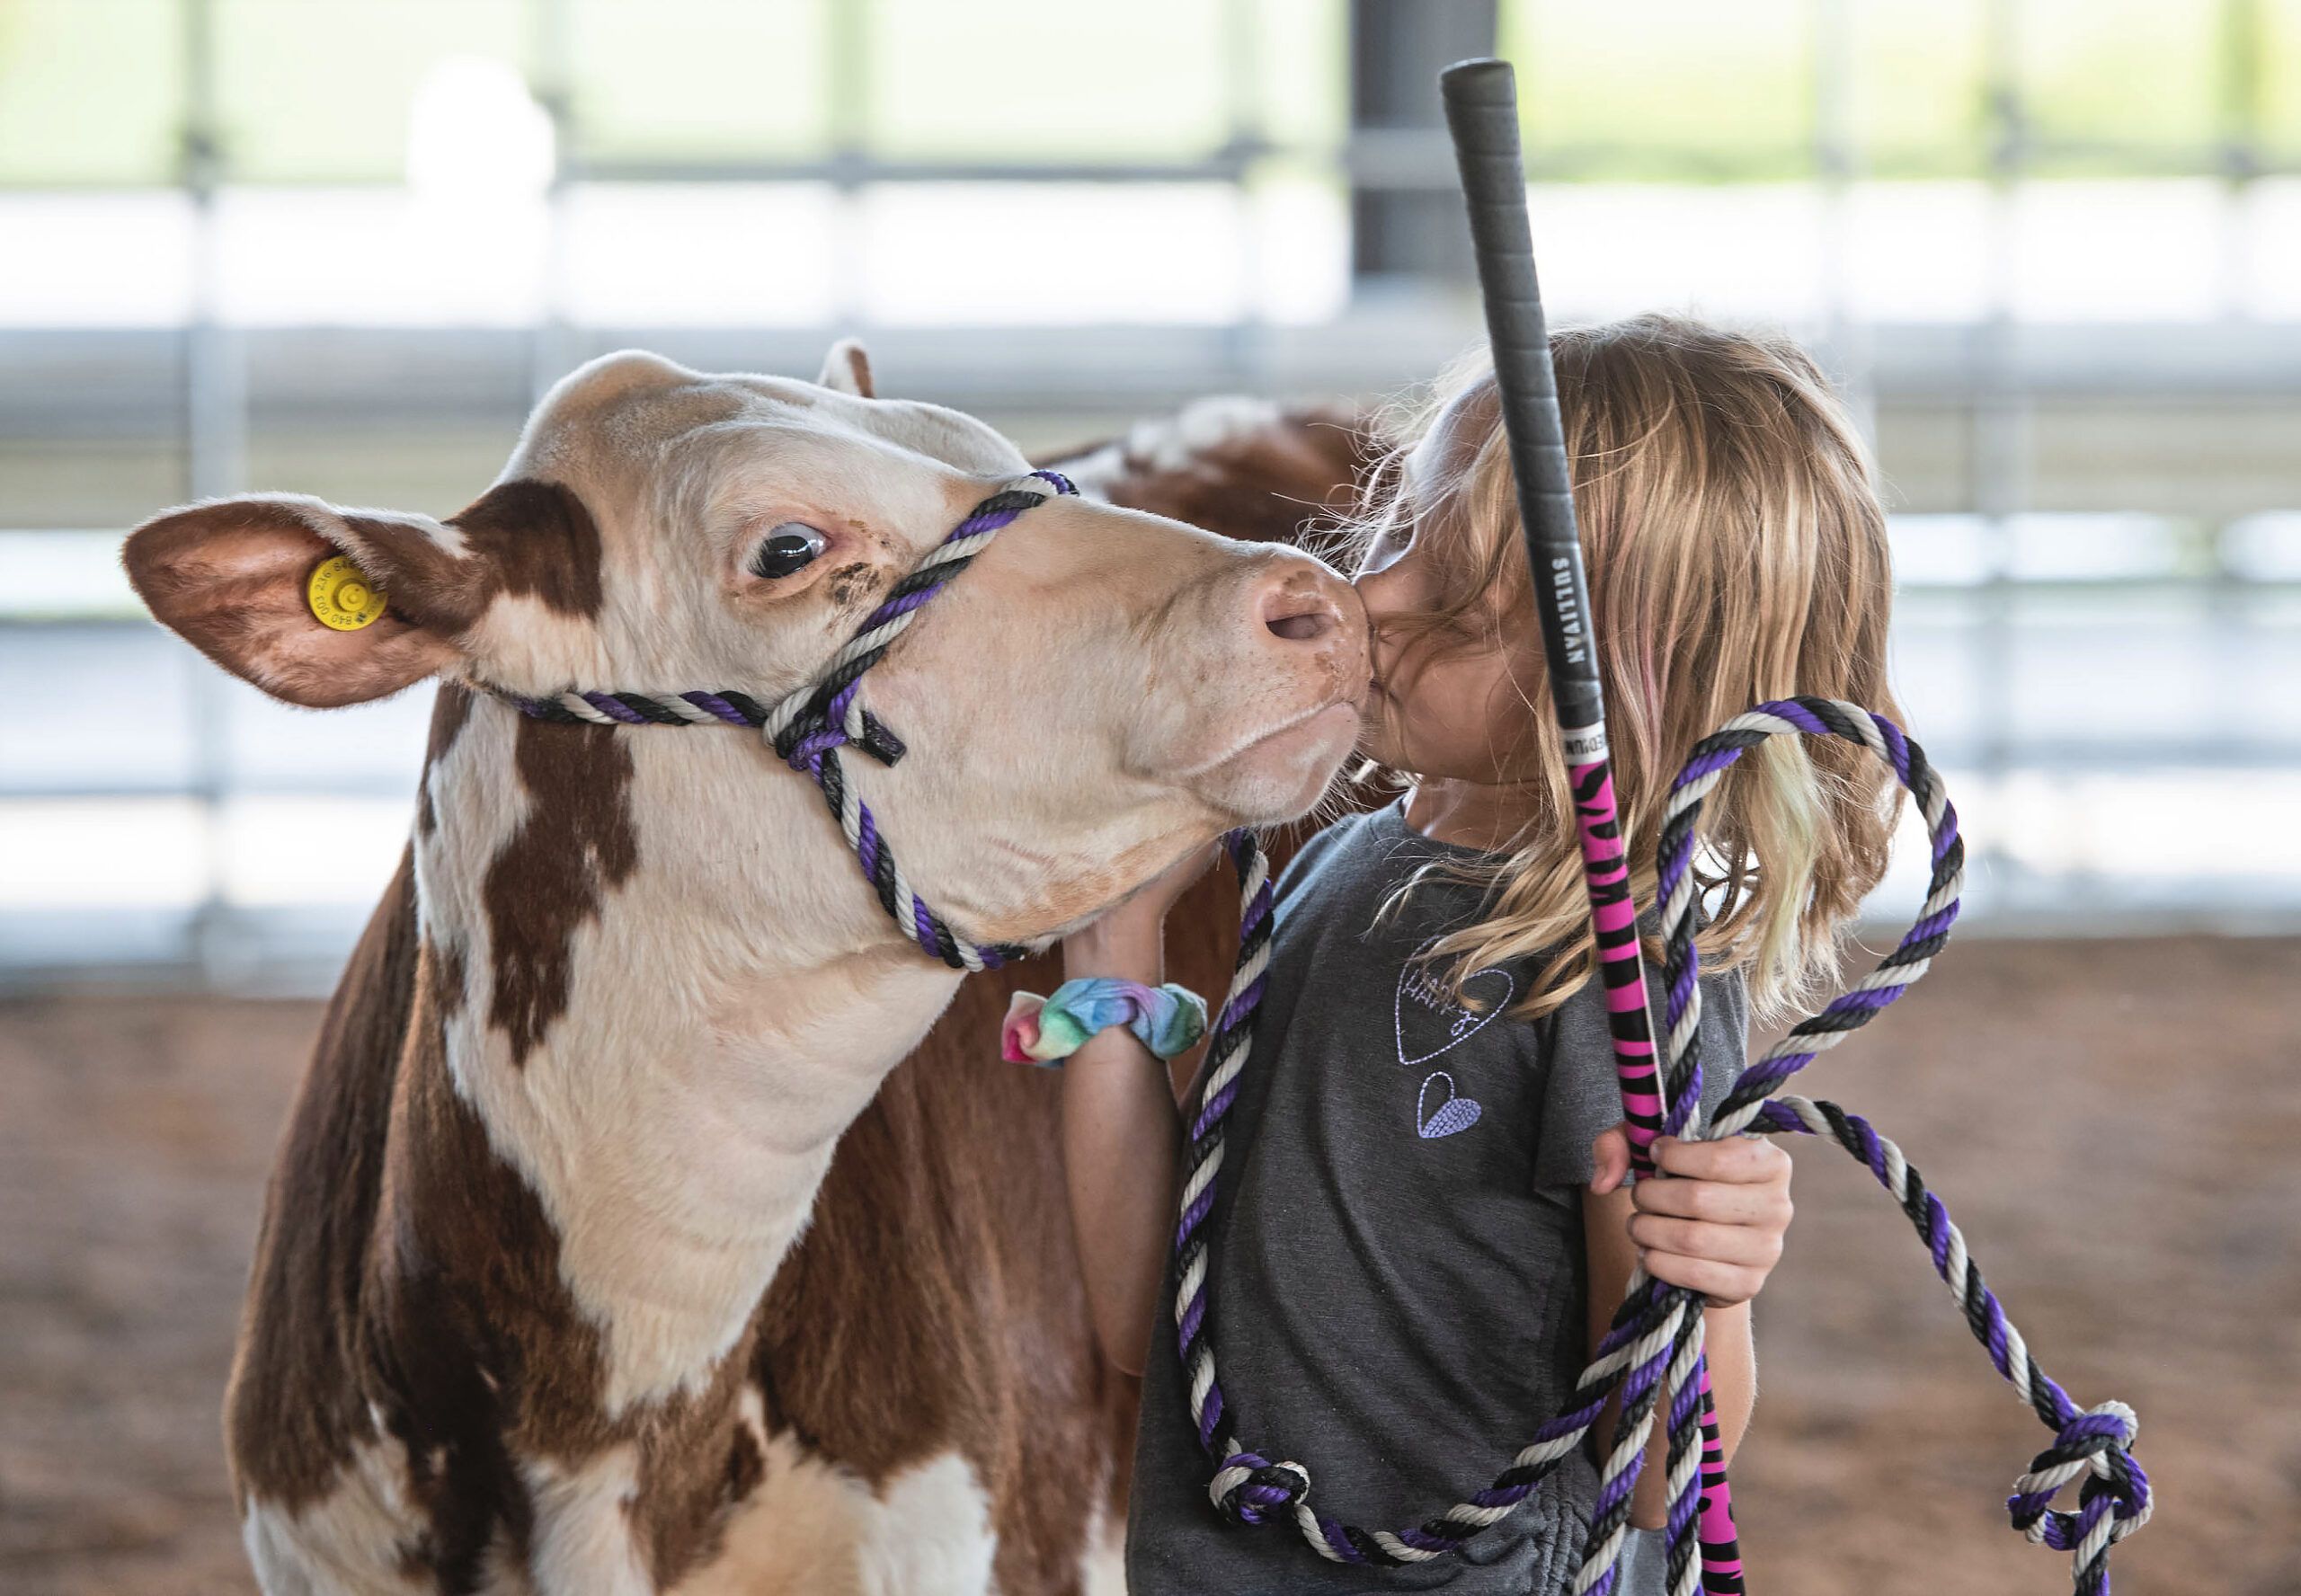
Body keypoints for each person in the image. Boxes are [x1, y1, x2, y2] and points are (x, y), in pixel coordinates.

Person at [1056, 315, 1902, 1593]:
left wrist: (1710, 1281)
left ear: (1628, 685)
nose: (1371, 596)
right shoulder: (1335, 870)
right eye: (1397, 530)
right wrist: (1111, 955)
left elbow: (1661, 1475)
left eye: (1457, 596)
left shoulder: (1618, 970)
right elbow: (1150, 1325)